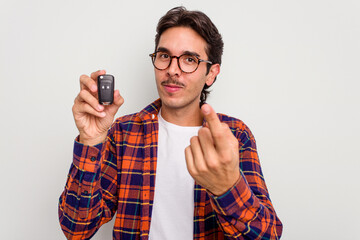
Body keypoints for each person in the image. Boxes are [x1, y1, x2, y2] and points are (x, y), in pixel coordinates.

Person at [58, 6, 283, 240]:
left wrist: (226, 189)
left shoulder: (234, 136)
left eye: (189, 59)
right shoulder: (123, 133)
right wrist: (90, 141)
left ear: (211, 73)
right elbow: (77, 229)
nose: (172, 70)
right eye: (164, 56)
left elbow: (266, 236)